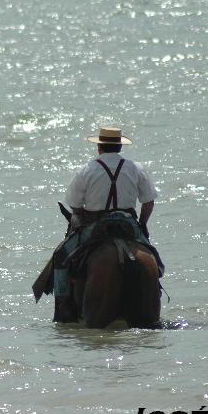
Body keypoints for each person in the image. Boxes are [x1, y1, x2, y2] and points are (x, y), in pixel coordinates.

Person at [51, 125, 164, 302]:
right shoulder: (135, 168)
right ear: (120, 147)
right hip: (129, 224)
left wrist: (82, 216)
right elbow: (148, 201)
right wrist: (142, 224)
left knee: (60, 256)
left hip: (95, 225)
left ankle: (63, 306)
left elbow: (74, 204)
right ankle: (155, 289)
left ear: (99, 146)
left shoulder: (86, 170)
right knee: (154, 259)